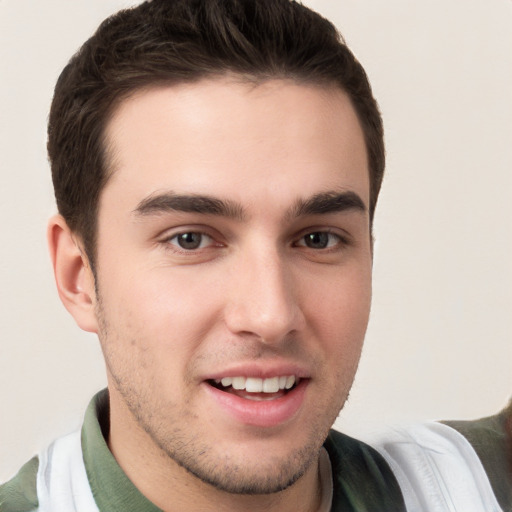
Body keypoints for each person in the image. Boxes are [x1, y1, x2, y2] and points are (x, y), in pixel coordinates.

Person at [0, 1, 510, 511]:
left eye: (317, 239)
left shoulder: (483, 485)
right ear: (77, 276)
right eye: (190, 240)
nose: (270, 315)